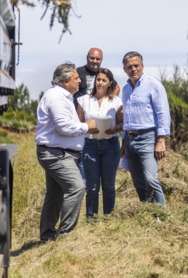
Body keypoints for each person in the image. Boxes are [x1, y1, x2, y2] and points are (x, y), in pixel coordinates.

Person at [34, 63, 97, 241]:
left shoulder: (63, 96)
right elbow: (64, 127)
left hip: (58, 153)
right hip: (56, 154)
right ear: (65, 81)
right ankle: (64, 235)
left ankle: (47, 237)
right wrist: (86, 126)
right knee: (76, 188)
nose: (80, 81)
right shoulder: (57, 97)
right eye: (76, 78)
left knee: (54, 195)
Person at [120, 51, 171, 205]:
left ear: (142, 66)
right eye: (129, 67)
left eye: (136, 65)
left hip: (148, 137)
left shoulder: (153, 85)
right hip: (129, 139)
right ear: (124, 69)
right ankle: (147, 213)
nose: (133, 69)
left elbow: (163, 113)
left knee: (150, 178)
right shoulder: (125, 89)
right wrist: (123, 143)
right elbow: (126, 118)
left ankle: (162, 217)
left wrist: (161, 140)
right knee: (137, 181)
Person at [77, 68, 123, 220]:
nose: (100, 83)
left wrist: (115, 128)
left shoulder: (116, 101)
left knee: (109, 186)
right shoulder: (84, 100)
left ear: (110, 83)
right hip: (90, 146)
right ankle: (92, 220)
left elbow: (122, 123)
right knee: (92, 187)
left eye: (104, 80)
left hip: (110, 146)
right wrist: (87, 128)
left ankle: (109, 219)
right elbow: (78, 124)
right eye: (98, 79)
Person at [73, 47, 120, 183]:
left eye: (98, 59)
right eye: (92, 58)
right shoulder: (79, 72)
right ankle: (86, 186)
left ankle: (91, 187)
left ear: (101, 60)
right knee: (82, 157)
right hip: (83, 121)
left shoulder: (102, 73)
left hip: (103, 126)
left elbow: (116, 87)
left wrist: (108, 102)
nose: (94, 61)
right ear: (87, 58)